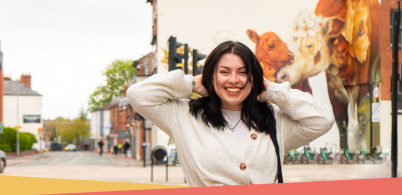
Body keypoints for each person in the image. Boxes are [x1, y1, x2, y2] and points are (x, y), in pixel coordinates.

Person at [127, 41, 335, 186]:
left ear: (253, 78)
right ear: (211, 76)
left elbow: (322, 119)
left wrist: (271, 89)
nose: (233, 80)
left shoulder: (274, 119)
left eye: (243, 72)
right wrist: (192, 83)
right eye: (224, 72)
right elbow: (138, 94)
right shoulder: (184, 116)